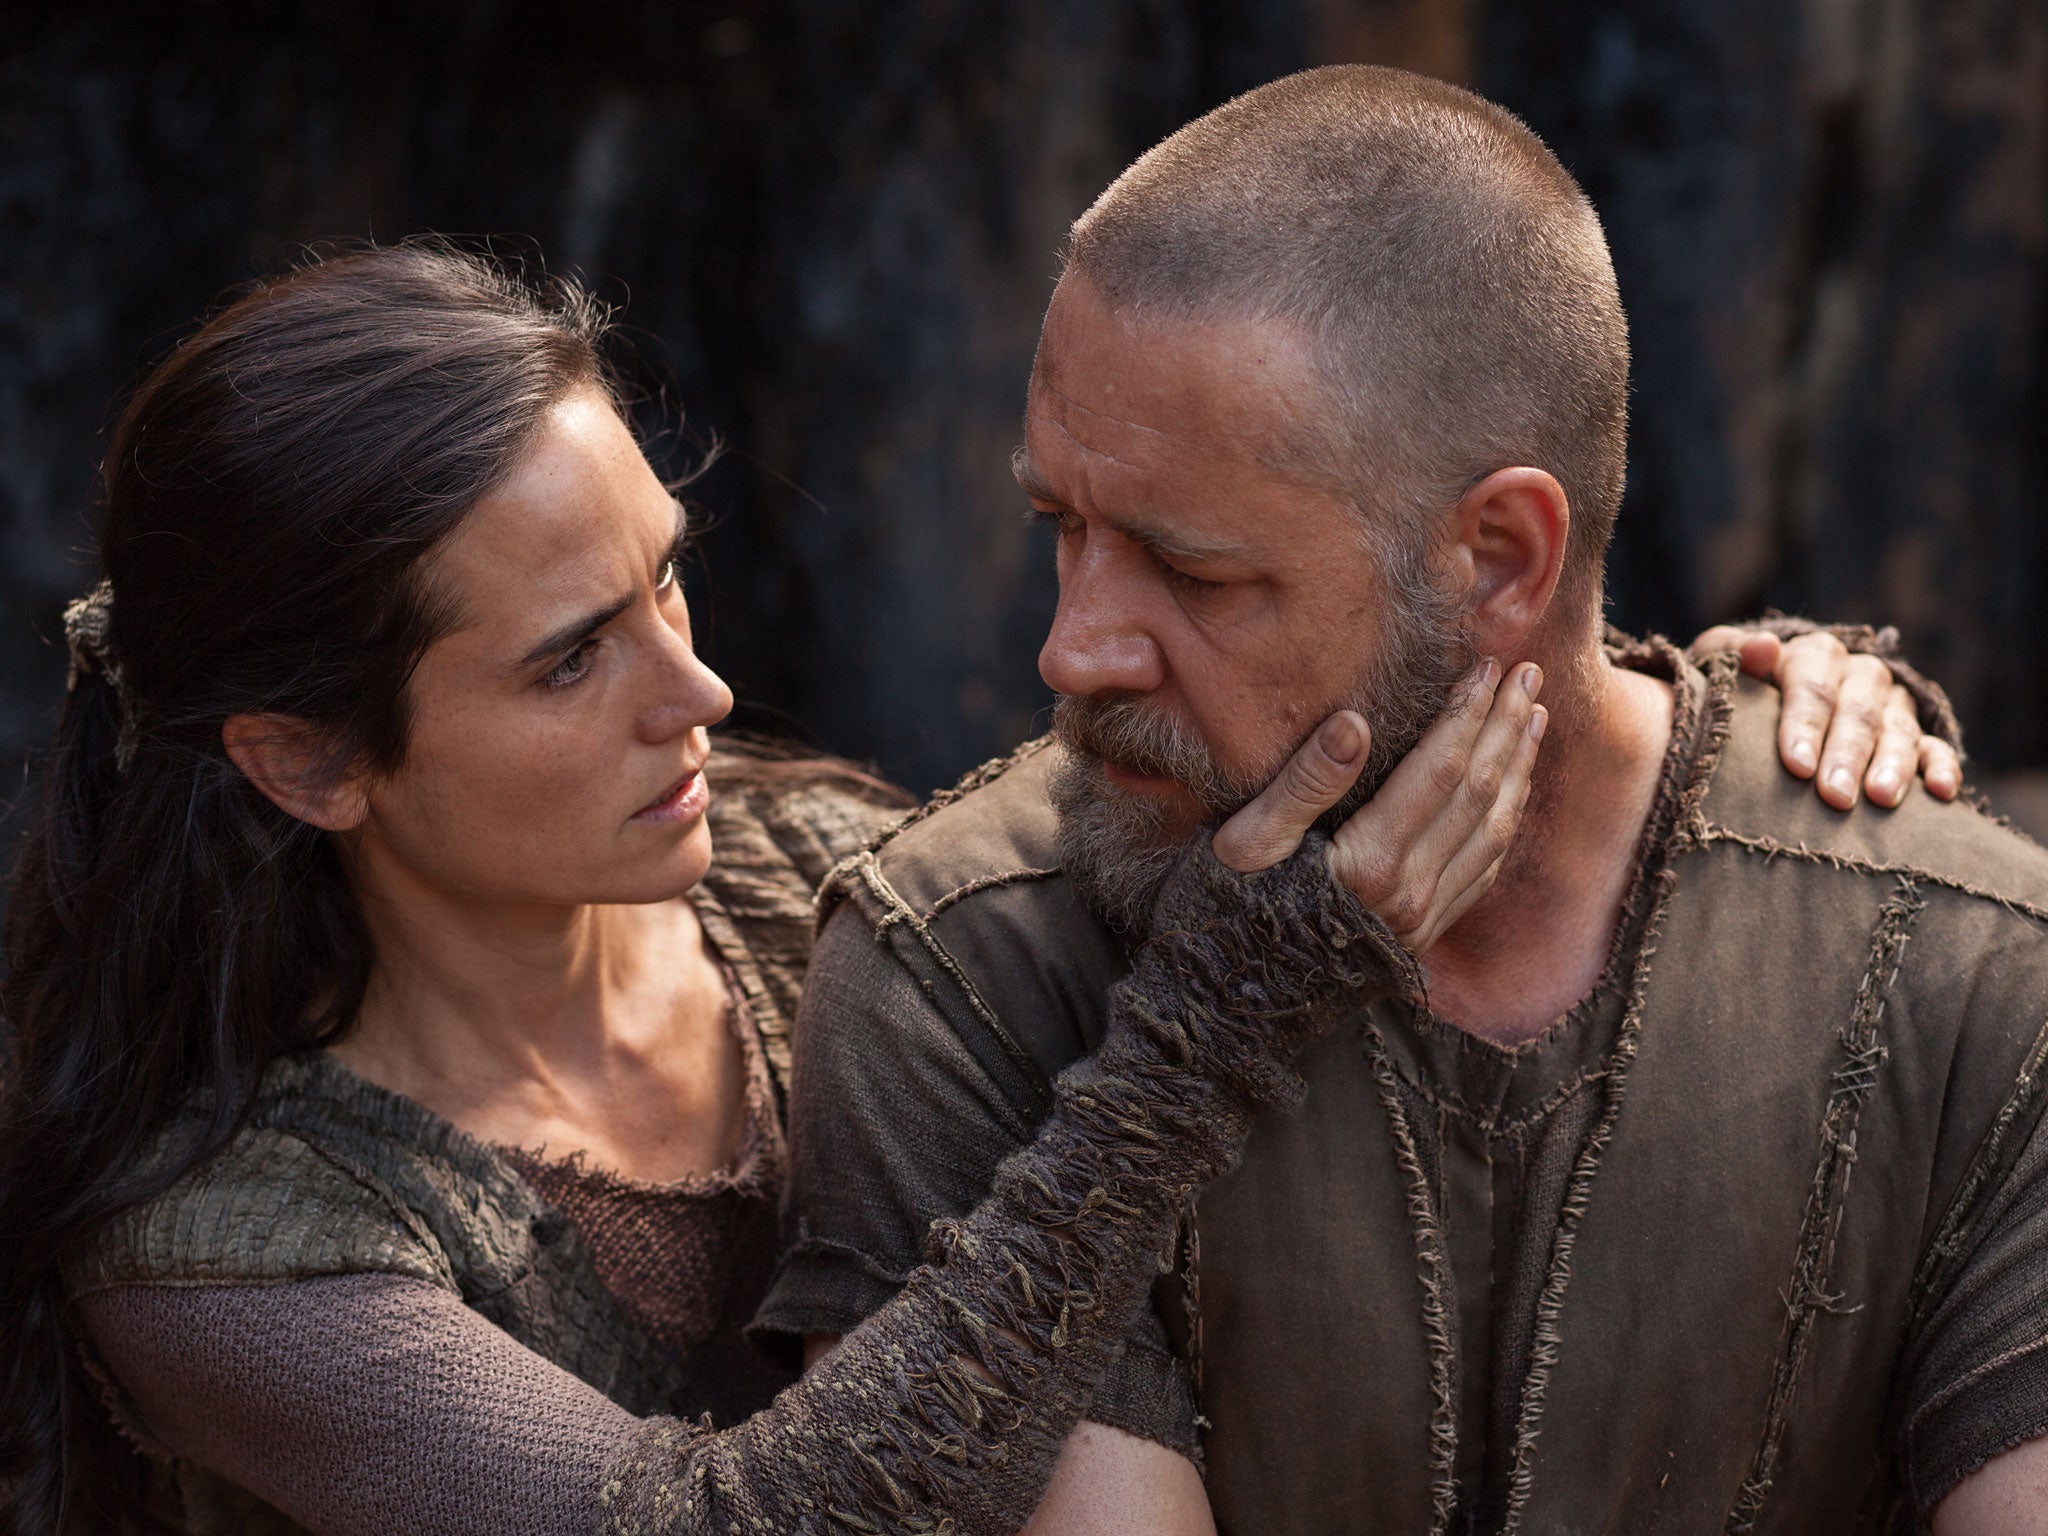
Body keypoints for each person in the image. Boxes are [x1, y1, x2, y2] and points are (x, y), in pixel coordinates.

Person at [0, 241, 1551, 1536]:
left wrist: (1713, 714)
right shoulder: (222, 1247)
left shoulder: (813, 868)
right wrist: (1201, 1041)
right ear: (309, 763)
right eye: (570, 658)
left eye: (663, 577)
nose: (702, 692)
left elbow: (1248, 793)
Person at [760, 67, 2045, 1536]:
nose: (1073, 650)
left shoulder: (1972, 973)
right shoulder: (960, 971)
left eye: (1195, 572)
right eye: (1060, 526)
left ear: (1501, 559)